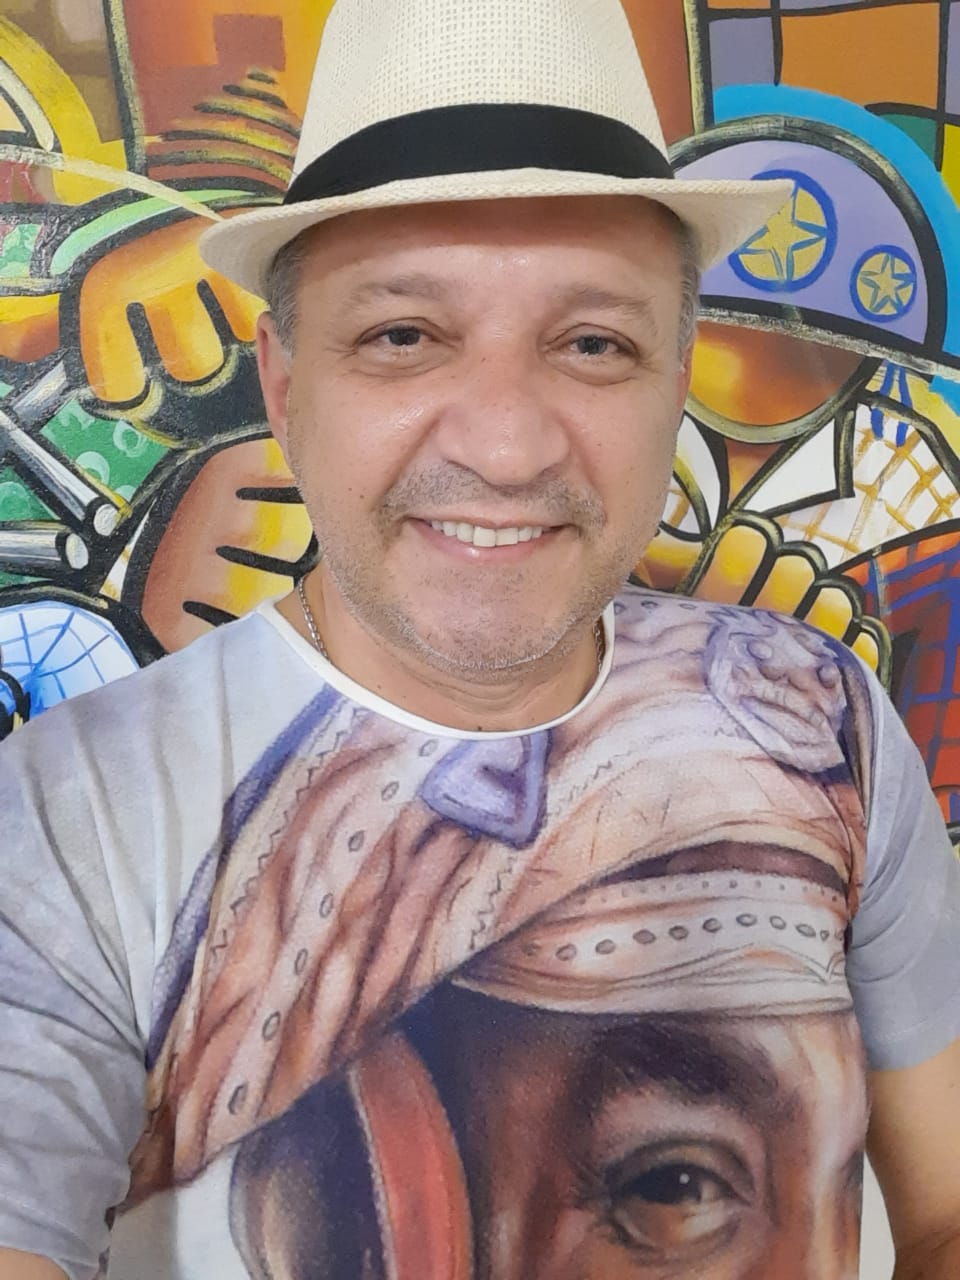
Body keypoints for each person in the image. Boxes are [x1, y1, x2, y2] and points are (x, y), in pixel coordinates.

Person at [1, 1, 958, 1277]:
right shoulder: (66, 813)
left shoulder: (824, 718)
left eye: (594, 343)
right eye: (403, 336)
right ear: (285, 386)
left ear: (675, 381)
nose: (506, 447)